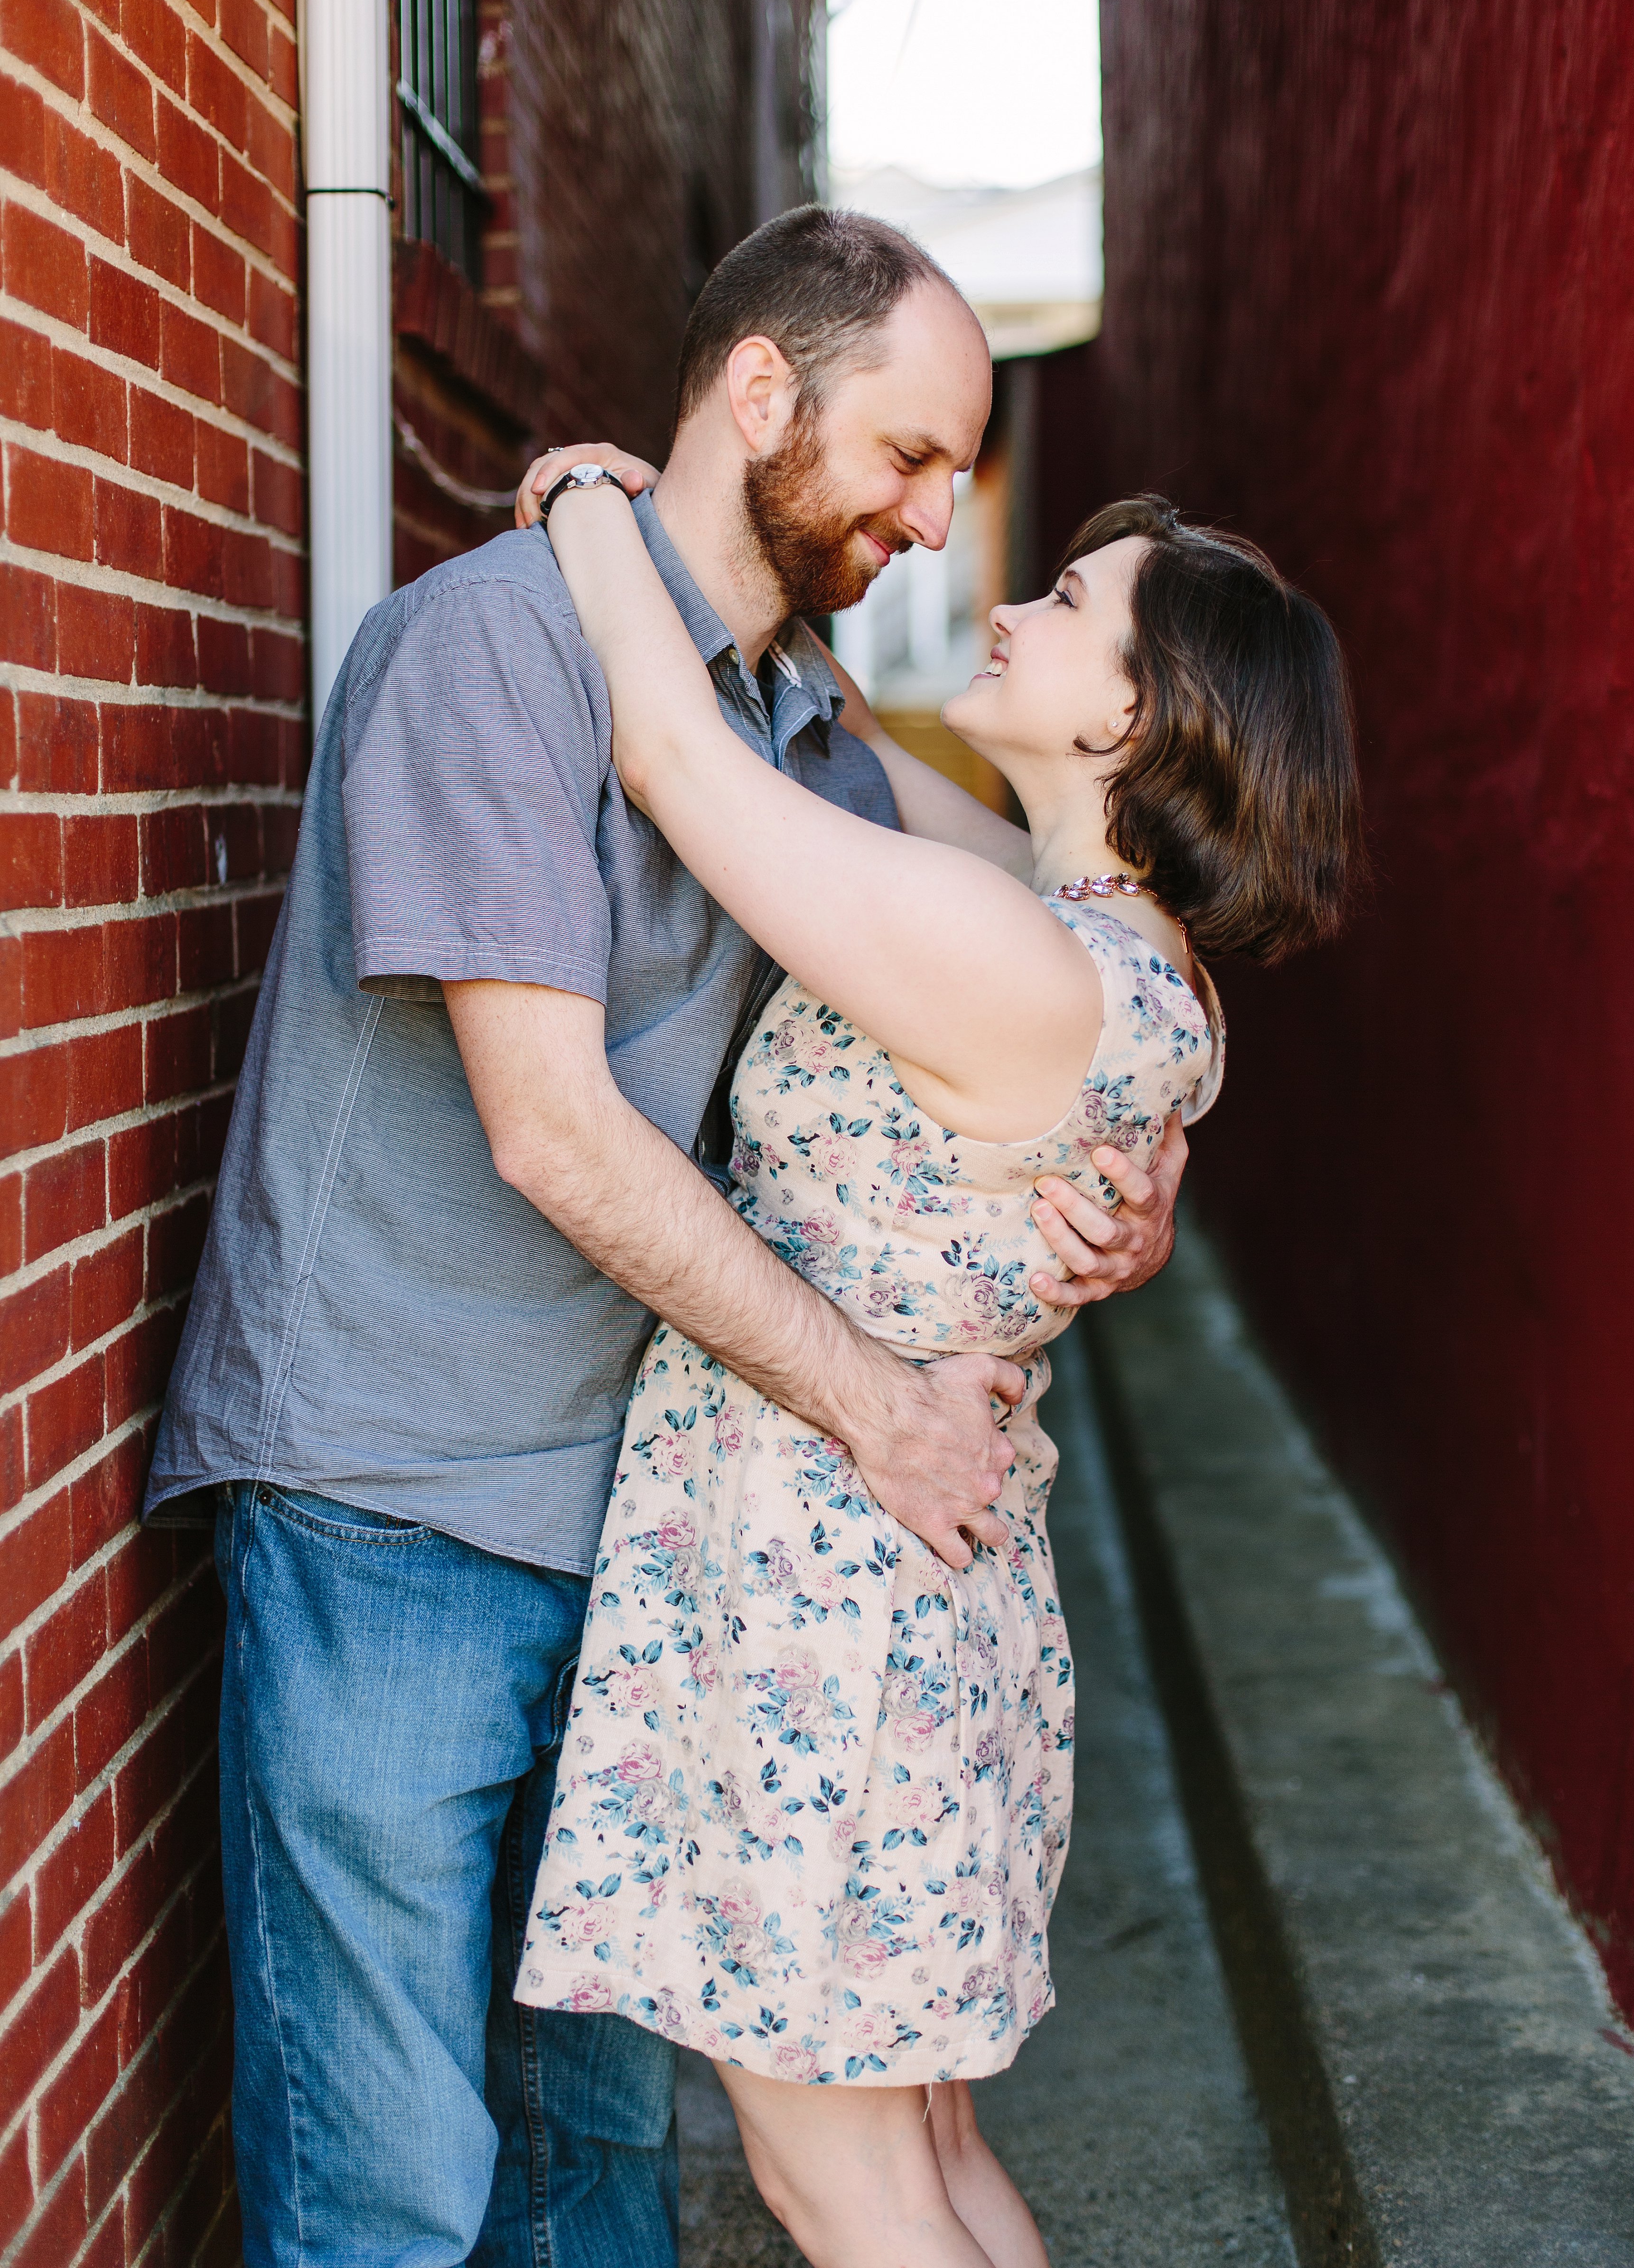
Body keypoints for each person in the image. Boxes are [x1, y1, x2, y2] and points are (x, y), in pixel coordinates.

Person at [141, 207, 1186, 2268]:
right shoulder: (487, 652)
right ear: (760, 392)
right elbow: (554, 1131)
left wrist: (1130, 1198)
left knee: (591, 2189)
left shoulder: (794, 732)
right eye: (907, 452)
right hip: (397, 1501)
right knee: (394, 2196)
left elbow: (1065, 983)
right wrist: (877, 1399)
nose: (932, 513)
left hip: (642, 1534)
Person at [512, 474, 1363, 2268]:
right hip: (909, 1584)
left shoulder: (1012, 955)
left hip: (827, 1592)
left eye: (1062, 600)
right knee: (922, 2148)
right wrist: (777, 588)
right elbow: (848, 776)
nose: (1005, 609)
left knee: (842, 2181)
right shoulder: (1116, 951)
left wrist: (591, 502)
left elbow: (679, 763)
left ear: (1127, 712)